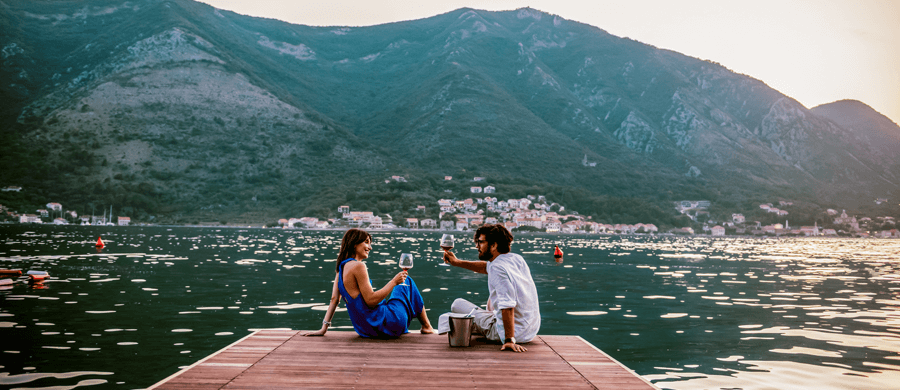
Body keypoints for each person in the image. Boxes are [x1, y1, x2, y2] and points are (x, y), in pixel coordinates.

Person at [303, 228, 435, 337]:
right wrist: (394, 281)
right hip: (385, 323)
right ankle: (427, 326)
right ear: (355, 244)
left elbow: (334, 300)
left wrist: (323, 329)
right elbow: (371, 300)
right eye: (366, 242)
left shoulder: (341, 268)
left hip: (364, 329)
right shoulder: (359, 266)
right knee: (407, 283)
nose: (370, 247)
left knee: (401, 287)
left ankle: (425, 326)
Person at [441, 224, 540, 352]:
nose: (477, 246)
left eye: (481, 242)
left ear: (494, 245)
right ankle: (480, 323)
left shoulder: (497, 268)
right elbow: (485, 267)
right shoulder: (516, 259)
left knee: (457, 305)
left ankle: (482, 326)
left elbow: (507, 305)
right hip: (529, 331)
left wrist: (509, 340)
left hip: (507, 333)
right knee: (490, 302)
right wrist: (457, 262)